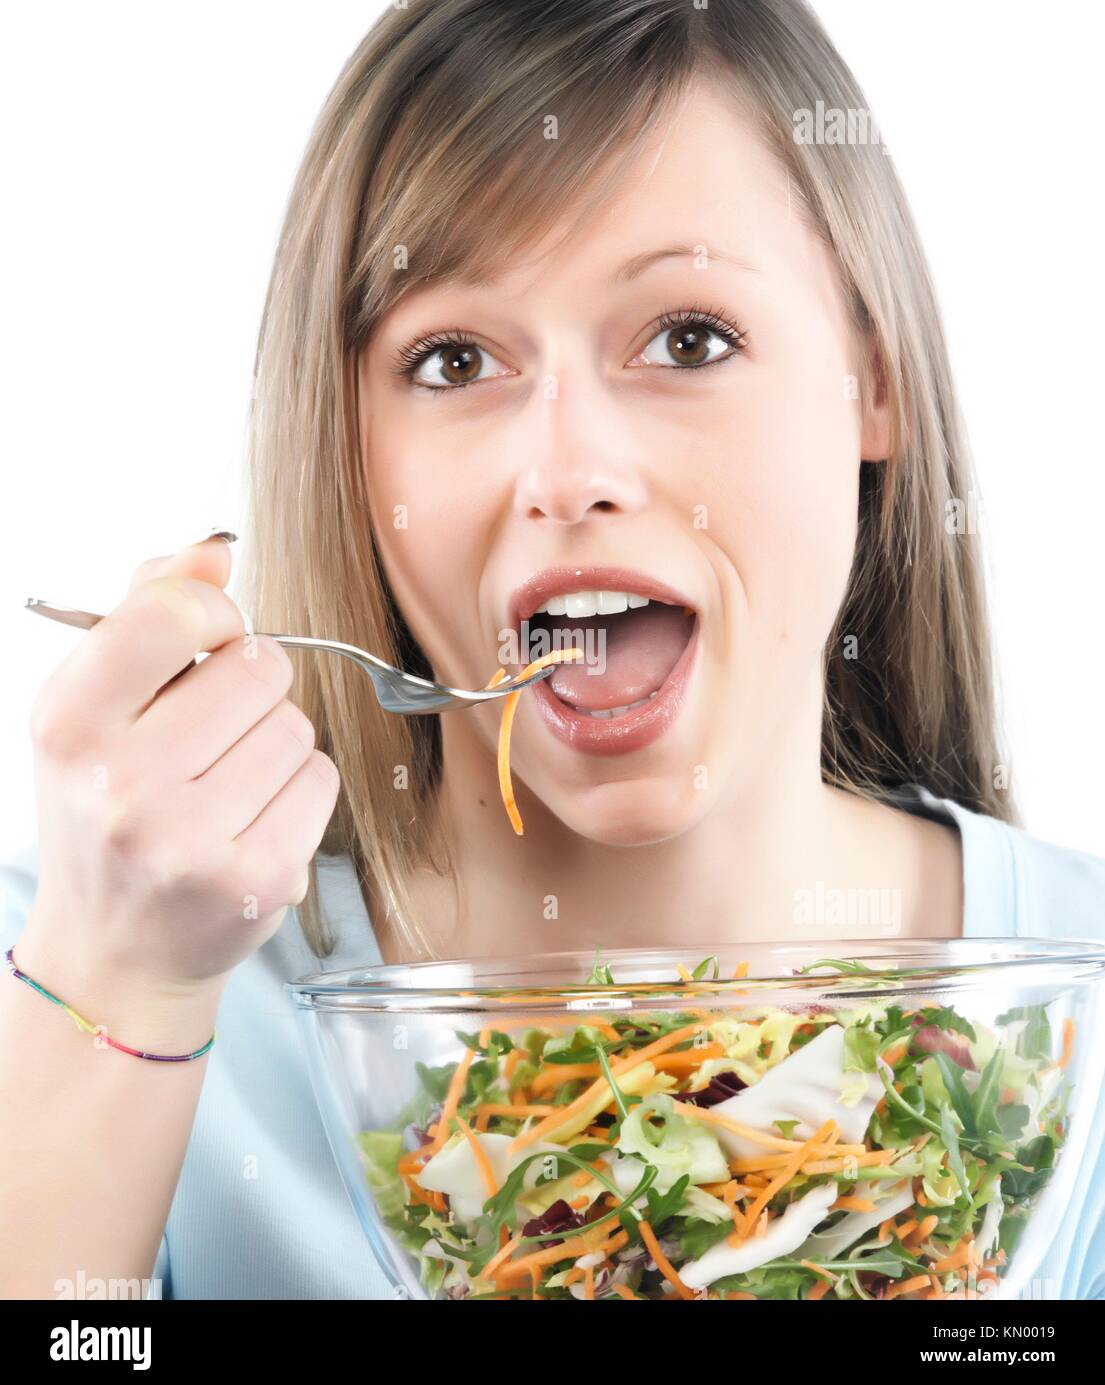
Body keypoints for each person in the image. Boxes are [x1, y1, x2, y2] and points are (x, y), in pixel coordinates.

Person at [2, 0, 1102, 1301]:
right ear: (341, 436)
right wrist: (118, 984)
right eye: (454, 356)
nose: (567, 469)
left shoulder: (1067, 1006)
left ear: (872, 381)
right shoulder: (91, 964)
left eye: (688, 338)